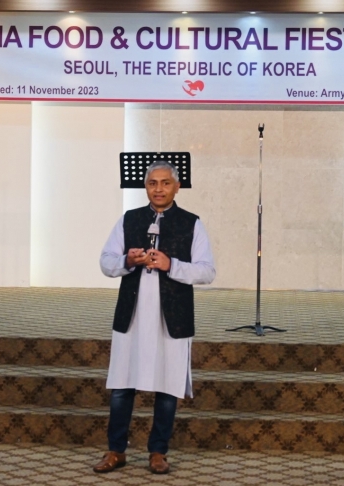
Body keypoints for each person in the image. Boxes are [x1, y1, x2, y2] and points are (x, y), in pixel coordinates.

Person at [93, 160, 216, 475]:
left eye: (165, 183)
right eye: (152, 183)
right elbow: (106, 263)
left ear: (176, 187)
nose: (158, 189)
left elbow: (206, 271)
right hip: (131, 317)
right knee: (122, 386)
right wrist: (127, 260)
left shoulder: (192, 223)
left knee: (166, 385)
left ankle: (158, 452)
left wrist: (170, 264)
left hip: (171, 319)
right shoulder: (129, 219)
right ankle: (116, 450)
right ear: (145, 187)